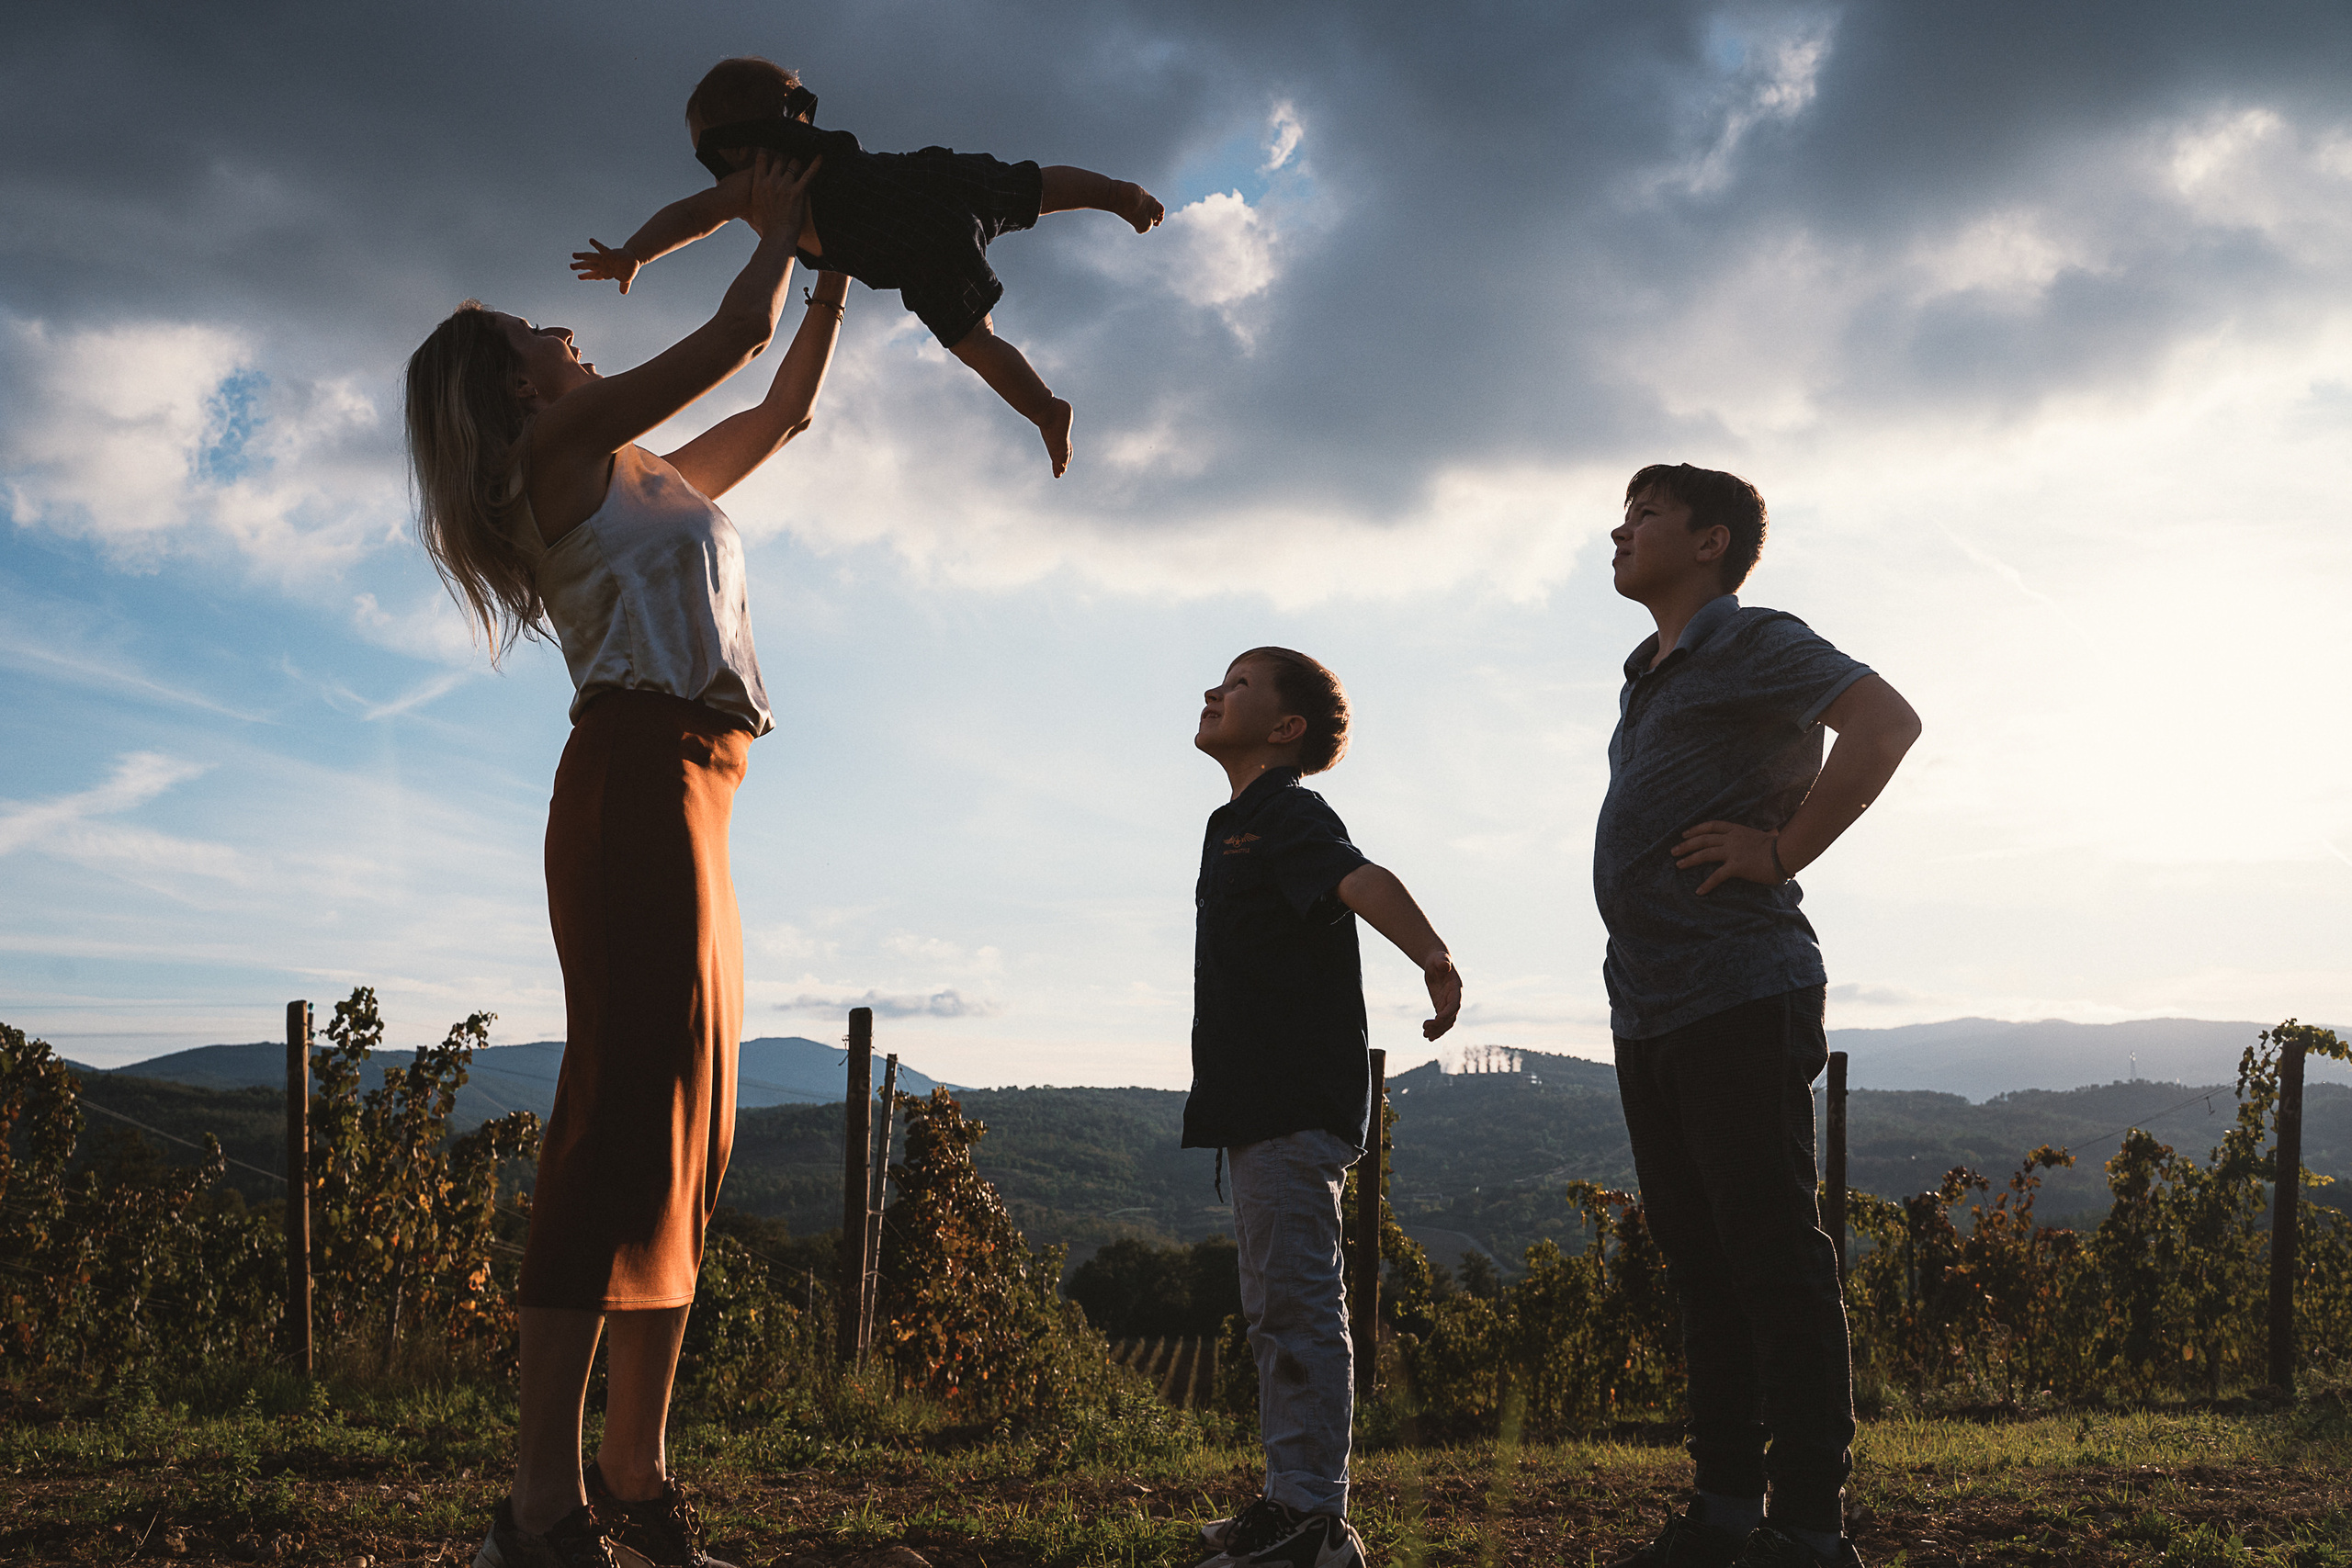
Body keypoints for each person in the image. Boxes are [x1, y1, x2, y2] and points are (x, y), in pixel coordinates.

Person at [404, 151, 845, 1568]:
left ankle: (636, 1488)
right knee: (616, 1129)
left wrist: (833, 263)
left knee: (695, 1132)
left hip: (705, 789)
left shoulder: (638, 476)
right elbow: (731, 338)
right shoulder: (552, 454)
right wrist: (768, 226)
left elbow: (776, 404)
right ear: (511, 381)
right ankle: (539, 1509)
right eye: (543, 329)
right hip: (635, 783)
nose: (566, 327)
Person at [1594, 466, 1922, 1568]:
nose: (1620, 527)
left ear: (1710, 540)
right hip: (1646, 1004)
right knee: (1698, 1261)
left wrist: (1780, 851)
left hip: (1740, 988)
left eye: (1644, 513)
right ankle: (1726, 1508)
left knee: (1770, 1256)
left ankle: (1810, 1530)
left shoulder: (1754, 640)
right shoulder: (1645, 673)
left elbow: (1884, 723)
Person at [1183, 648, 1464, 1568]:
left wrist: (1431, 955)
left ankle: (1313, 1522)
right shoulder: (1237, 822)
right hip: (1258, 1105)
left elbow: (1362, 878)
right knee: (1275, 1309)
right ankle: (1286, 1501)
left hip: (1292, 1105)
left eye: (1236, 685)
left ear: (1286, 727)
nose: (1213, 692)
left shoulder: (1287, 814)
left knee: (1297, 1308)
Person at [571, 55, 1166, 479]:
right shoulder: (816, 150)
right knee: (1025, 186)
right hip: (923, 176)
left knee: (975, 340)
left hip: (915, 245)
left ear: (728, 149)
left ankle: (1044, 407)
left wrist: (635, 254)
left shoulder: (757, 186)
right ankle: (1118, 194)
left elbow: (693, 214)